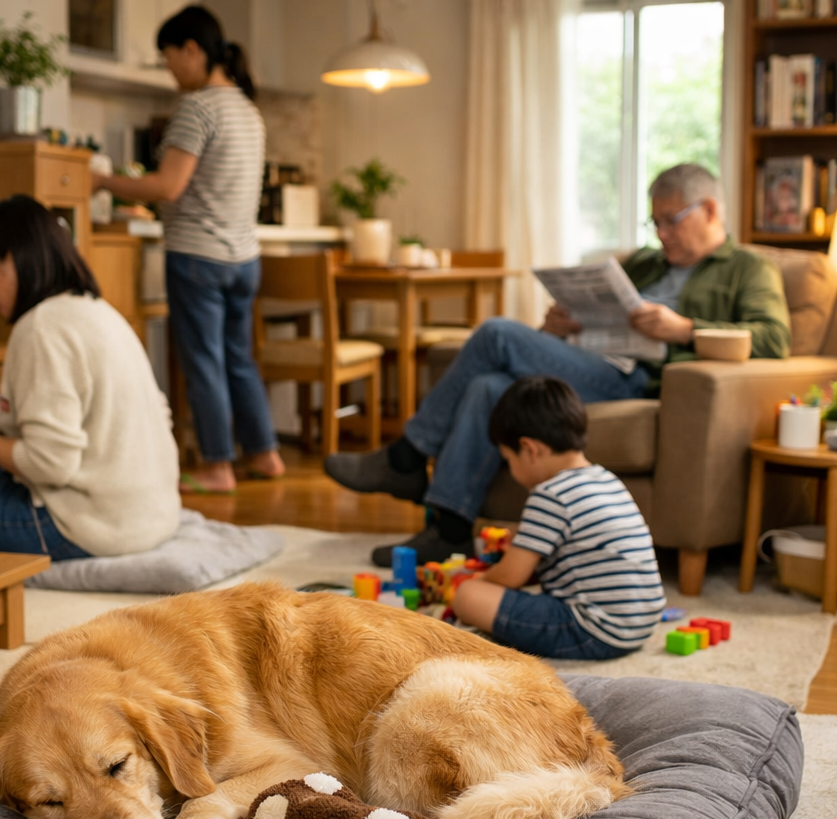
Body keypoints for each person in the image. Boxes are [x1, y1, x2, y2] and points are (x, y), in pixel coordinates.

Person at [325, 163, 792, 566]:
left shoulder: (748, 268)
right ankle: (448, 531)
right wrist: (559, 327)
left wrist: (683, 328)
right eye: (656, 223)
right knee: (487, 387)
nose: (662, 234)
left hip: (636, 379)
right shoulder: (646, 263)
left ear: (710, 210)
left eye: (671, 221)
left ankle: (406, 457)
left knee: (494, 333)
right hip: (590, 360)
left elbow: (774, 339)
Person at [0, 195, 181, 561]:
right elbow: (155, 412)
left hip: (87, 528)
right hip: (153, 515)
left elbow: (51, 465)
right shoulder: (99, 310)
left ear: (11, 260)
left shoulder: (40, 327)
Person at [92, 4, 284, 495]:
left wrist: (104, 181)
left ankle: (218, 466)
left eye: (169, 56)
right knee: (238, 359)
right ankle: (265, 454)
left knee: (204, 362)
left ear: (193, 50)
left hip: (198, 256)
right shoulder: (248, 110)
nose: (169, 68)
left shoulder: (198, 107)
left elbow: (168, 186)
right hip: (244, 257)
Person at [451, 377, 666, 660]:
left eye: (509, 460)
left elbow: (510, 577)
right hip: (639, 624)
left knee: (468, 595)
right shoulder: (605, 478)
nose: (512, 471)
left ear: (530, 449)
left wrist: (479, 578)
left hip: (594, 629)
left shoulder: (550, 494)